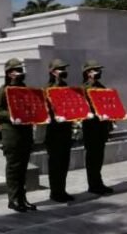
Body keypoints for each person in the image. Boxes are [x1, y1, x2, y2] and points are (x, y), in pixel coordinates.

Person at [0, 58, 37, 212]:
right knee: (14, 167)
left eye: (21, 70)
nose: (20, 73)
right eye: (17, 70)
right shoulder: (3, 90)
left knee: (23, 167)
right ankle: (13, 200)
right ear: (9, 73)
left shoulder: (24, 88)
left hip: (25, 131)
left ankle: (22, 198)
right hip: (11, 133)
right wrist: (11, 115)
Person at [82, 60, 114, 195]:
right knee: (92, 158)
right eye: (95, 70)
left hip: (101, 127)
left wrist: (110, 122)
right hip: (91, 128)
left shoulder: (101, 86)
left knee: (99, 157)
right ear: (88, 73)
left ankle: (98, 182)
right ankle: (93, 185)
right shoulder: (85, 88)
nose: (99, 72)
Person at [45, 59, 75, 202]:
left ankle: (62, 190)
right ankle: (55, 192)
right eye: (60, 69)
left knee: (64, 163)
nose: (63, 71)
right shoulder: (48, 88)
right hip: (54, 132)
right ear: (52, 72)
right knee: (55, 164)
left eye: (64, 68)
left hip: (66, 130)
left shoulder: (66, 86)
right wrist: (56, 82)